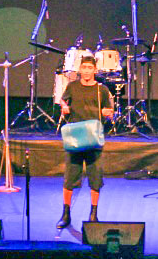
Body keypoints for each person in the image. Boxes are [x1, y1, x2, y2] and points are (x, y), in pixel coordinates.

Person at [56, 55, 114, 229]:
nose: (87, 71)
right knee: (69, 178)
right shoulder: (72, 86)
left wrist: (107, 113)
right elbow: (63, 100)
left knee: (95, 178)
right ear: (80, 69)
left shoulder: (102, 90)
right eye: (84, 67)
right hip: (75, 137)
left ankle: (93, 214)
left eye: (90, 68)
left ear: (95, 70)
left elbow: (109, 110)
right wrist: (64, 106)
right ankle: (66, 214)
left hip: (94, 138)